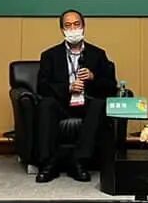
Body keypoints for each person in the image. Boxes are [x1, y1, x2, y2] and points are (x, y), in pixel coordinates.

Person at [35, 9, 117, 183]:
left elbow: (111, 87)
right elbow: (42, 86)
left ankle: (79, 161)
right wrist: (68, 88)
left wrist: (93, 78)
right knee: (46, 104)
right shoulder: (49, 55)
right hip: (62, 104)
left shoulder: (98, 54)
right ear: (62, 30)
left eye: (76, 24)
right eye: (68, 25)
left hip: (86, 105)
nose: (73, 29)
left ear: (84, 26)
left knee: (98, 104)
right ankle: (48, 164)